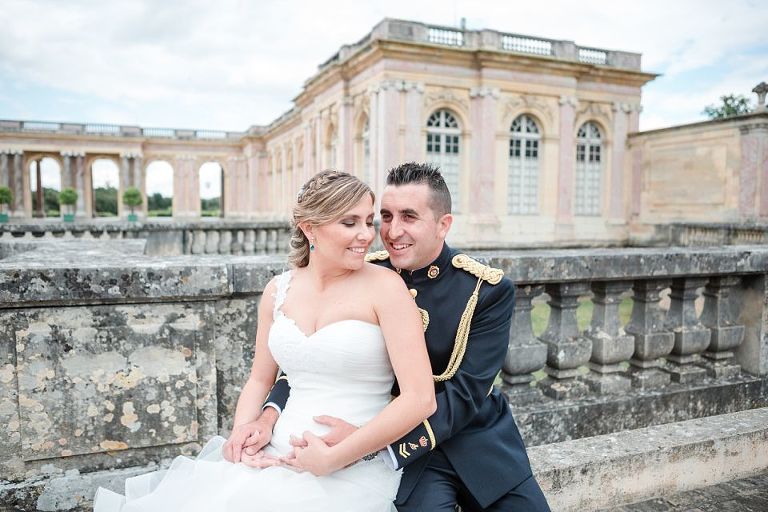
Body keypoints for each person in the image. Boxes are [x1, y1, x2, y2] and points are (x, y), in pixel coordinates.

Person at [92, 170, 436, 511]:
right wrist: (243, 432)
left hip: (353, 463)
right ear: (309, 227)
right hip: (273, 453)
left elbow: (420, 399)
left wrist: (335, 458)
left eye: (367, 221)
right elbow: (260, 378)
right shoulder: (277, 291)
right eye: (349, 223)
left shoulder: (386, 287)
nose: (366, 235)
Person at [253, 163, 551, 511]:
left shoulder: (484, 290)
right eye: (386, 216)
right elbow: (312, 358)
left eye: (409, 217)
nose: (392, 231)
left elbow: (466, 393)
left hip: (473, 440)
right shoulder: (362, 271)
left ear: (444, 225)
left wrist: (371, 444)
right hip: (399, 455)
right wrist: (268, 414)